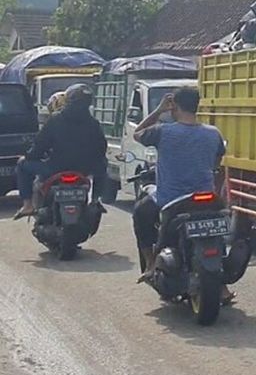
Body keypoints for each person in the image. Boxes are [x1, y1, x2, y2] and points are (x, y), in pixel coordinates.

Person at [129, 87, 229, 301]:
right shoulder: (213, 134)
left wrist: (158, 110)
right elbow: (217, 165)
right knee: (216, 231)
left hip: (173, 201)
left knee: (140, 211)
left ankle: (149, 263)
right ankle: (222, 287)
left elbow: (137, 133)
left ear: (173, 106)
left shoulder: (163, 131)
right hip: (207, 199)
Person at [12, 84, 107, 220]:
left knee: (22, 165)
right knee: (103, 164)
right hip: (84, 170)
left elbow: (40, 146)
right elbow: (101, 148)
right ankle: (96, 200)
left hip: (54, 168)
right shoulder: (93, 123)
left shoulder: (56, 120)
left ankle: (28, 206)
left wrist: (28, 157)